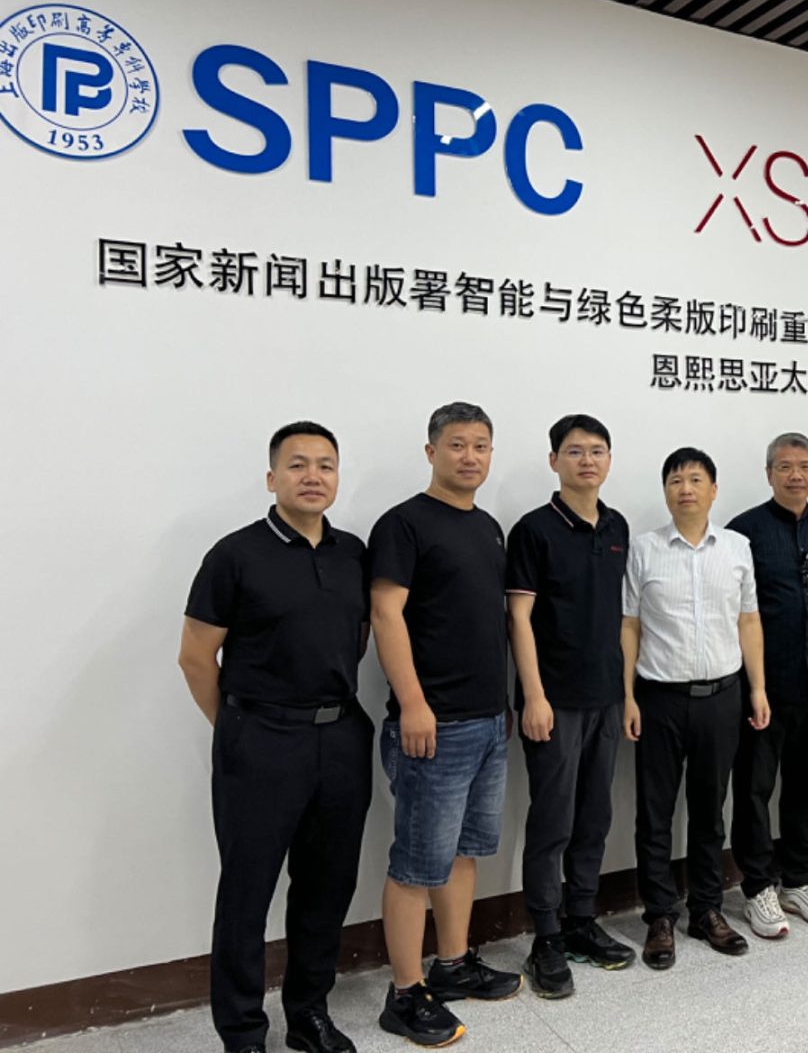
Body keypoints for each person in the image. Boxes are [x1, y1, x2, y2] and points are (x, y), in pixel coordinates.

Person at [179, 422, 373, 1053]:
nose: (313, 476)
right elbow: (195, 657)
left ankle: (308, 1014)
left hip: (340, 737)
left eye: (325, 465)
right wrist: (241, 729)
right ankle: (242, 1033)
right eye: (297, 465)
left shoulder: (353, 553)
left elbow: (355, 640)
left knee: (327, 885)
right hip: (260, 739)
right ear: (272, 478)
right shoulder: (234, 555)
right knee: (247, 890)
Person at [368, 403, 520, 1048]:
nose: (470, 456)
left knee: (463, 852)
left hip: (487, 721)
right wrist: (412, 703)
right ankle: (404, 994)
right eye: (457, 444)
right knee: (415, 865)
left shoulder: (487, 527)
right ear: (431, 451)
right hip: (432, 726)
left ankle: (452, 964)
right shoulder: (403, 524)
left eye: (481, 445)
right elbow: (385, 613)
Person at [622, 447, 770, 970]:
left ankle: (706, 909)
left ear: (713, 489)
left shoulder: (736, 548)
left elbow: (748, 621)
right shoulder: (643, 550)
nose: (685, 488)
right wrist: (628, 695)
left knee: (710, 811)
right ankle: (659, 915)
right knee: (655, 813)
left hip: (722, 698)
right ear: (665, 491)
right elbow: (629, 625)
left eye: (696, 479)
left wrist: (757, 688)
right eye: (676, 480)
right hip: (659, 699)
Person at [506, 414, 634, 999]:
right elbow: (519, 618)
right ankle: (547, 936)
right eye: (575, 451)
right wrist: (534, 696)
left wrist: (626, 695)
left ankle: (582, 920)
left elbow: (622, 619)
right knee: (552, 822)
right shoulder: (534, 529)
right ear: (554, 460)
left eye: (597, 451)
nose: (587, 461)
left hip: (606, 697)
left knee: (594, 818)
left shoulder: (617, 525)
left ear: (609, 460)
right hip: (554, 703)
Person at [727, 432, 808, 939]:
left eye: (804, 466)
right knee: (754, 788)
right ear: (769, 473)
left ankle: (799, 877)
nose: (795, 475)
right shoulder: (743, 532)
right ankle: (758, 886)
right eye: (784, 466)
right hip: (764, 686)